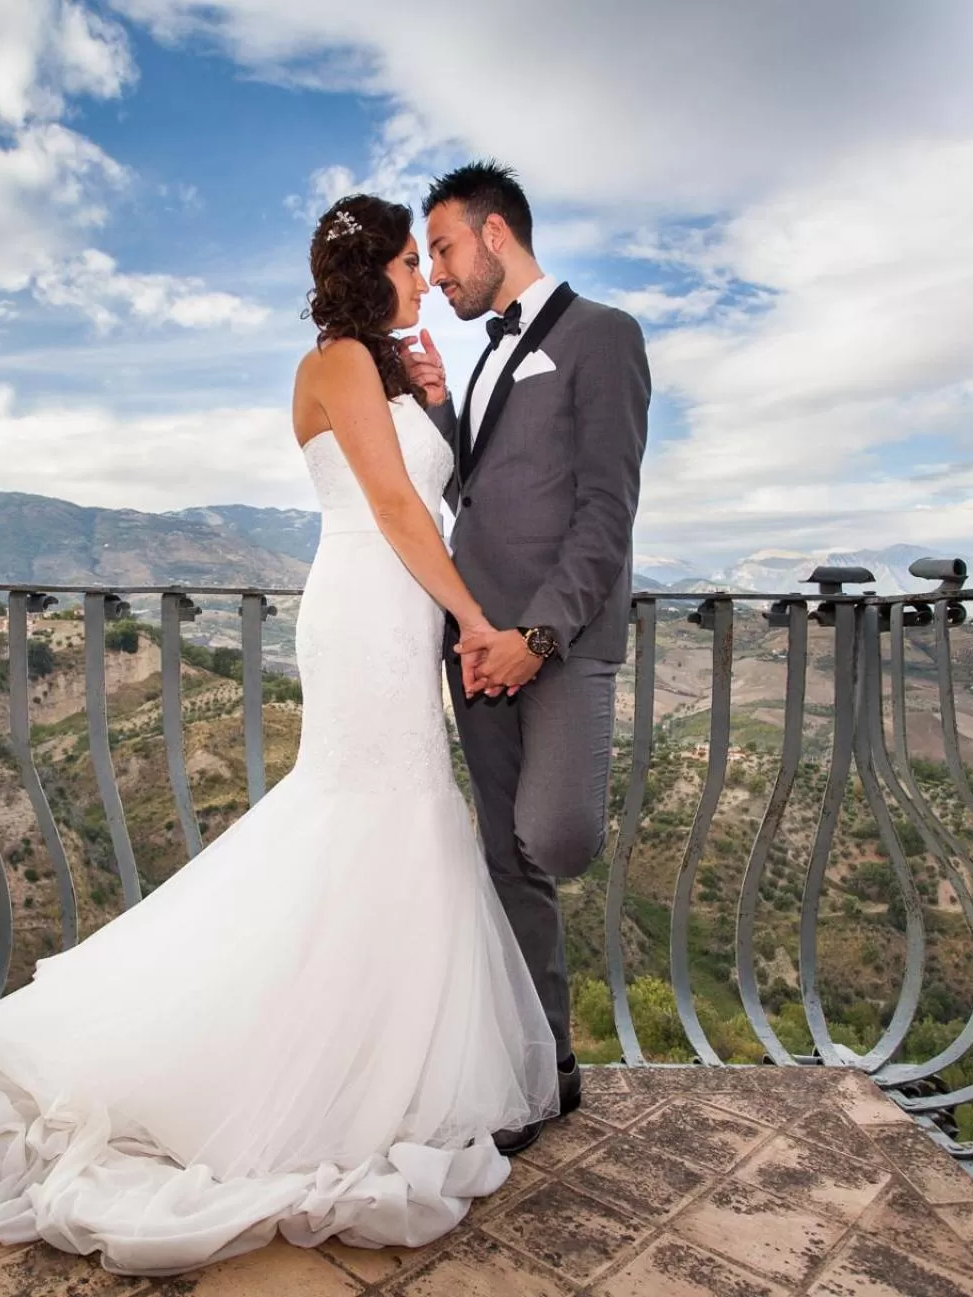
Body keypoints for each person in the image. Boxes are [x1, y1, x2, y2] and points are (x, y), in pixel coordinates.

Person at [0, 192, 557, 1278]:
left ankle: (366, 1058)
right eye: (407, 260)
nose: (422, 277)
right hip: (368, 601)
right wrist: (480, 619)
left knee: (397, 821)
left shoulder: (386, 365)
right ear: (366, 271)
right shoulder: (340, 359)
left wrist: (432, 395)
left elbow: (437, 490)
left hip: (405, 609)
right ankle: (294, 1067)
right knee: (358, 815)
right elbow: (393, 511)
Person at [400, 161, 650, 1154]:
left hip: (555, 641)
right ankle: (540, 1066)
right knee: (503, 859)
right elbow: (484, 486)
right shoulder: (485, 356)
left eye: (445, 251)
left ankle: (538, 1057)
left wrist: (537, 636)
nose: (439, 274)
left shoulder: (603, 336)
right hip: (478, 643)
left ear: (494, 233)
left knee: (553, 837)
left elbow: (604, 512)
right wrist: (433, 407)